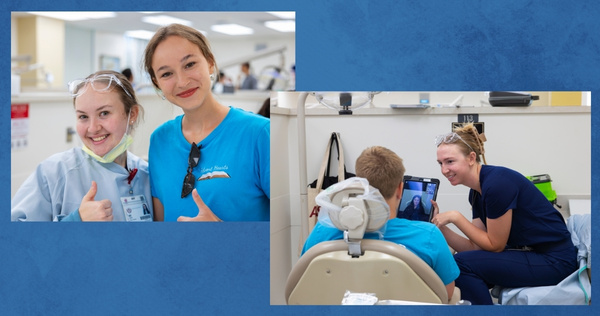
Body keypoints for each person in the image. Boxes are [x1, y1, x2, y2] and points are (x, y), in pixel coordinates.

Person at [431, 123, 577, 305]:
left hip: (556, 261)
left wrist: (455, 217)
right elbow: (476, 248)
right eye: (441, 163)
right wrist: (439, 226)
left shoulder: (496, 185)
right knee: (459, 263)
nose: (444, 170)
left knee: (461, 264)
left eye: (450, 161)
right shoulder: (476, 191)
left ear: (471, 158)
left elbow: (495, 245)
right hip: (533, 254)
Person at [142, 23, 270, 222]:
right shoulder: (159, 140)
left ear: (210, 63)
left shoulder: (258, 134)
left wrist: (221, 234)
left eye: (190, 64)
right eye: (167, 73)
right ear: (156, 82)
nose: (182, 81)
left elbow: (289, 232)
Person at [302, 146, 459, 299]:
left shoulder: (323, 230)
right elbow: (446, 293)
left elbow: (305, 281)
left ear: (358, 184)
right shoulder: (428, 234)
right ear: (400, 189)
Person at [11, 70, 153, 222]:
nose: (92, 128)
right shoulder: (54, 173)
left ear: (132, 114)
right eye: (83, 117)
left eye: (104, 113)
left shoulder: (146, 175)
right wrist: (75, 221)